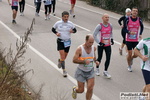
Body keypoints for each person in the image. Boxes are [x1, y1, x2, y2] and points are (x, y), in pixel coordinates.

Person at [72, 34, 99, 100]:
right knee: (81, 90)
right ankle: (75, 89)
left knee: (90, 88)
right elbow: (74, 60)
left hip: (90, 71)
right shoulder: (79, 49)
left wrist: (95, 61)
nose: (91, 44)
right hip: (81, 71)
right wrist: (84, 61)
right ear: (86, 40)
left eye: (92, 42)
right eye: (90, 42)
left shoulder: (94, 48)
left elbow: (93, 56)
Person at [51, 11, 77, 77]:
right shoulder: (58, 23)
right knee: (63, 56)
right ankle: (64, 71)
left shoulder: (70, 24)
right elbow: (53, 29)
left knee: (64, 57)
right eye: (65, 17)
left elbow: (75, 30)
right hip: (60, 41)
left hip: (67, 42)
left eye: (67, 17)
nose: (66, 18)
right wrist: (56, 33)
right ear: (62, 17)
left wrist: (72, 31)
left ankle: (60, 61)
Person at [93, 13, 114, 78]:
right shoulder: (99, 26)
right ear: (102, 18)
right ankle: (97, 69)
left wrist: (112, 39)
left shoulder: (110, 25)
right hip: (101, 45)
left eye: (108, 17)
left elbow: (111, 33)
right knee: (100, 58)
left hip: (108, 44)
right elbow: (94, 35)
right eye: (105, 17)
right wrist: (99, 42)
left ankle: (105, 71)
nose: (107, 18)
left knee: (108, 58)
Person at [123, 7, 144, 72]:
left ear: (137, 13)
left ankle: (131, 58)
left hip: (136, 40)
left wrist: (140, 33)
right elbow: (124, 29)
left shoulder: (139, 19)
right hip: (128, 39)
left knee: (136, 54)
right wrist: (129, 32)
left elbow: (142, 27)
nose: (135, 12)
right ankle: (129, 65)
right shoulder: (127, 19)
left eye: (136, 11)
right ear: (131, 12)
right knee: (129, 53)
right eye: (134, 11)